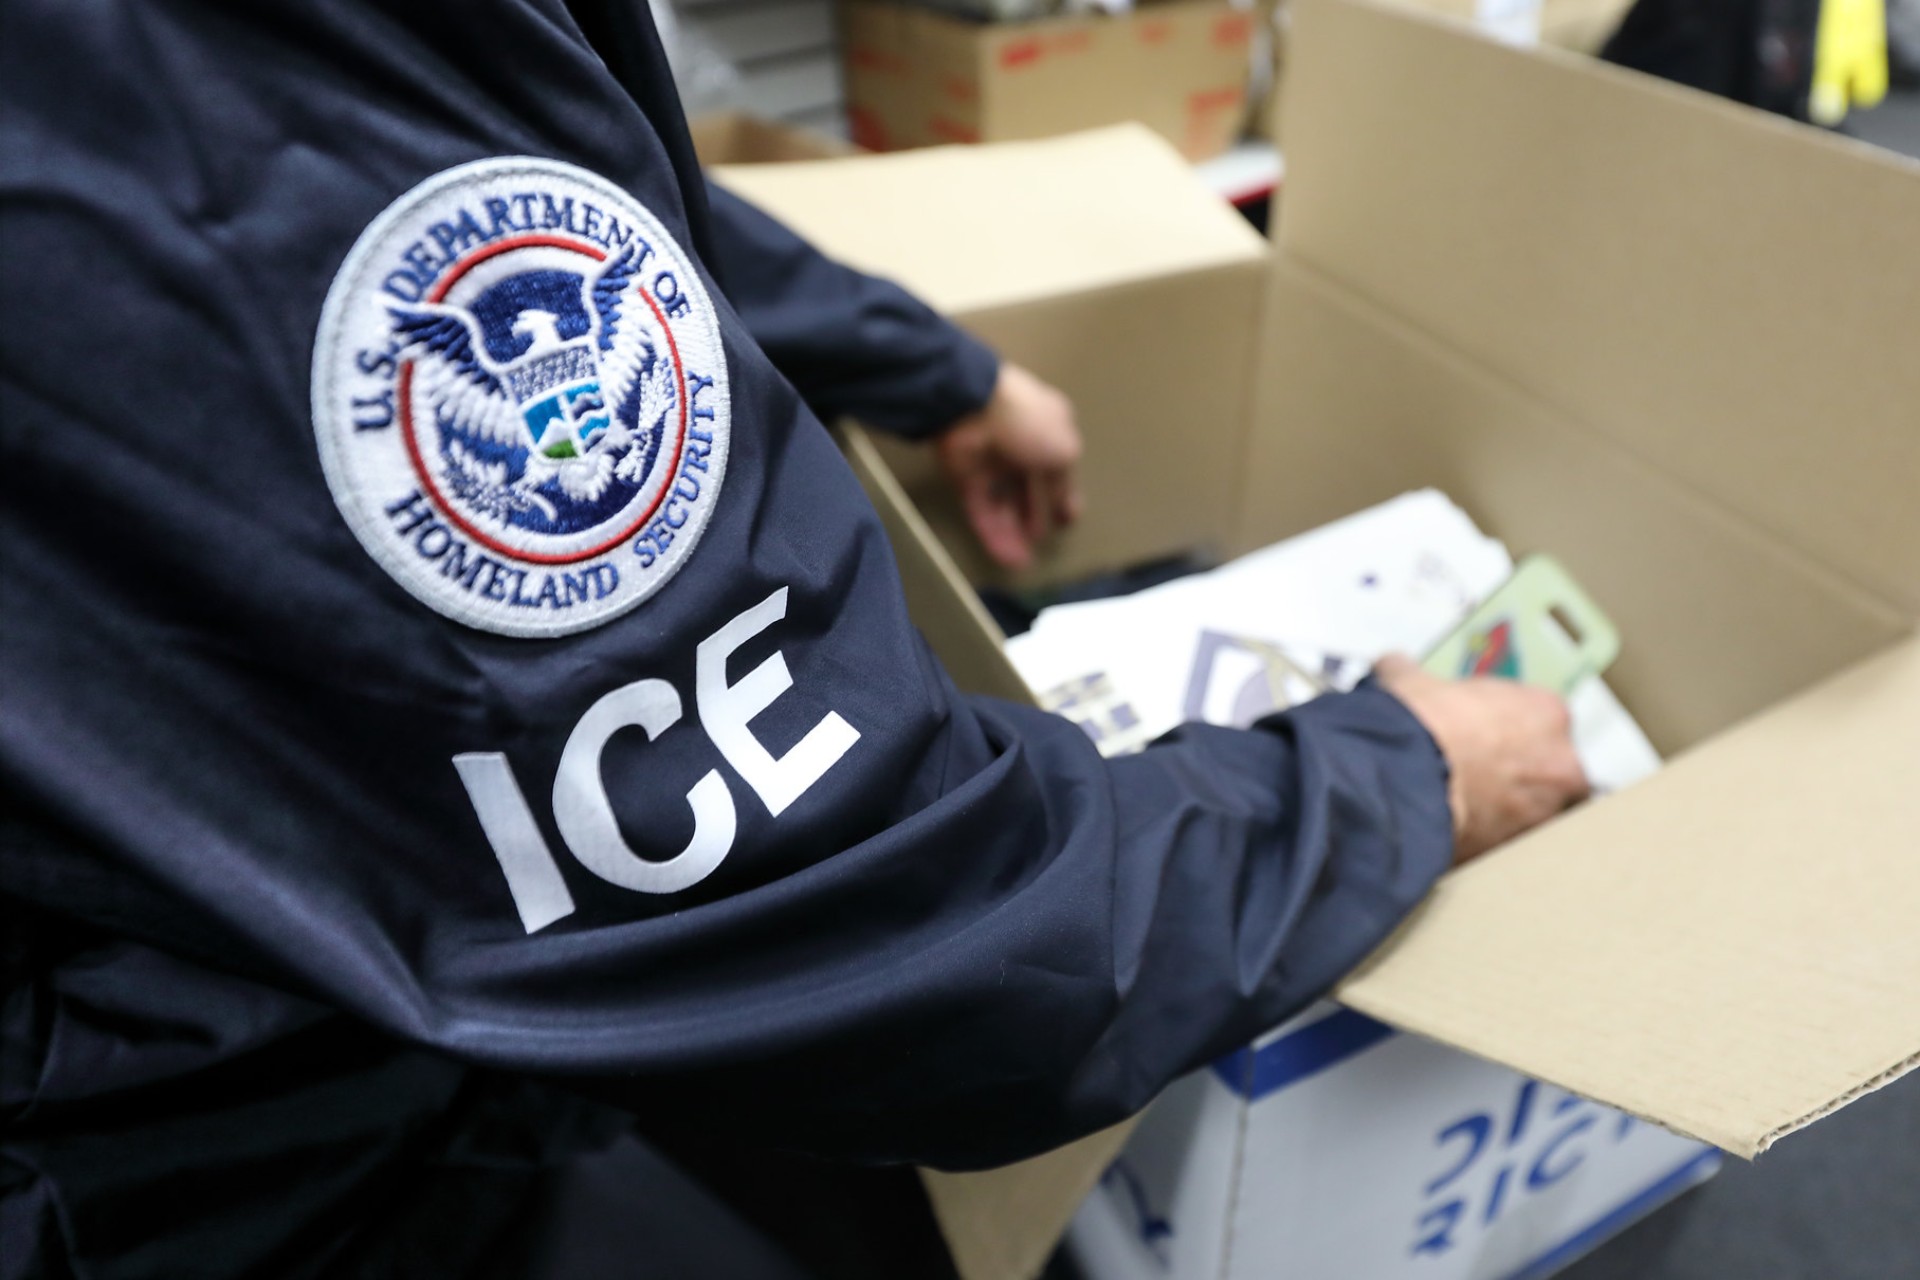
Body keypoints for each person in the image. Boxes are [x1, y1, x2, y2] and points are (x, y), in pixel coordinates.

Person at [0, 3, 1590, 1278]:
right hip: (204, 1172)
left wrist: (924, 364)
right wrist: (1403, 776)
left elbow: (502, 151)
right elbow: (897, 914)